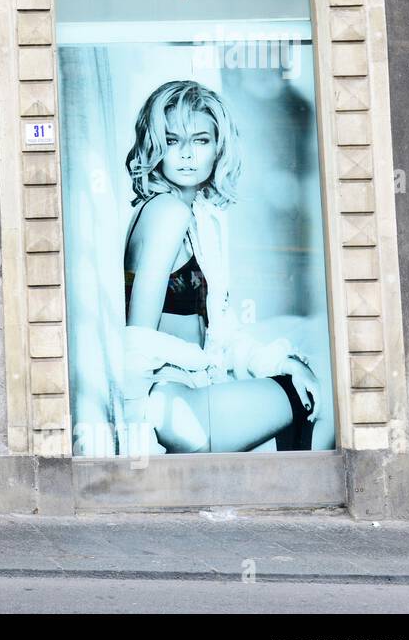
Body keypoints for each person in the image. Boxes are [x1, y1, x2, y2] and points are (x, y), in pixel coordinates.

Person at [121, 79, 323, 454]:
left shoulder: (194, 217)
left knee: (299, 380)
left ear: (218, 149)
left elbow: (220, 333)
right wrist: (134, 438)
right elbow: (138, 337)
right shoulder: (168, 212)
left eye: (200, 141)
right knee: (307, 398)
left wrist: (280, 360)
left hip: (188, 396)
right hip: (170, 402)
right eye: (172, 140)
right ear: (155, 146)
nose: (185, 154)